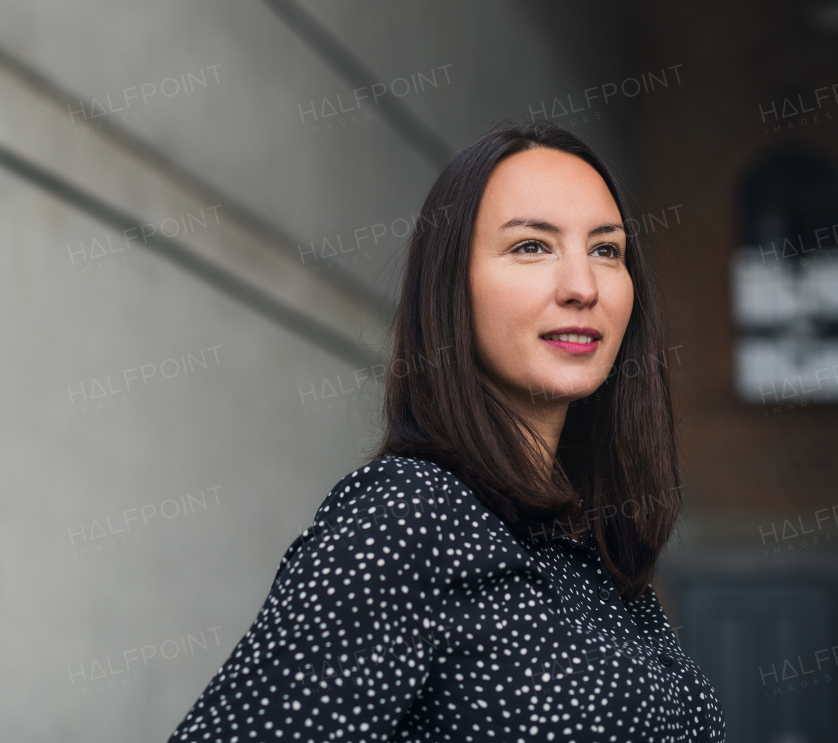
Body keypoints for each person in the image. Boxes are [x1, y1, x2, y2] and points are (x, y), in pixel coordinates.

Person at [166, 123, 724, 741]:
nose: (582, 287)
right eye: (531, 247)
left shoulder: (593, 555)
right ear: (452, 288)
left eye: (606, 250)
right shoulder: (408, 515)